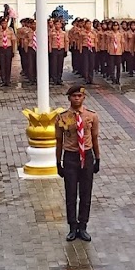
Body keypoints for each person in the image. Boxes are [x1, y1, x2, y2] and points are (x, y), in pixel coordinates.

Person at [55, 85, 100, 242]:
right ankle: (72, 226)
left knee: (86, 193)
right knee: (71, 193)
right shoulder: (62, 118)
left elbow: (94, 139)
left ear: (83, 98)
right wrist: (58, 162)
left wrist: (97, 158)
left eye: (79, 96)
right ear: (69, 98)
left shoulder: (91, 116)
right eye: (73, 96)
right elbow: (59, 141)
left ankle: (83, 226)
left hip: (86, 156)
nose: (76, 98)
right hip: (70, 157)